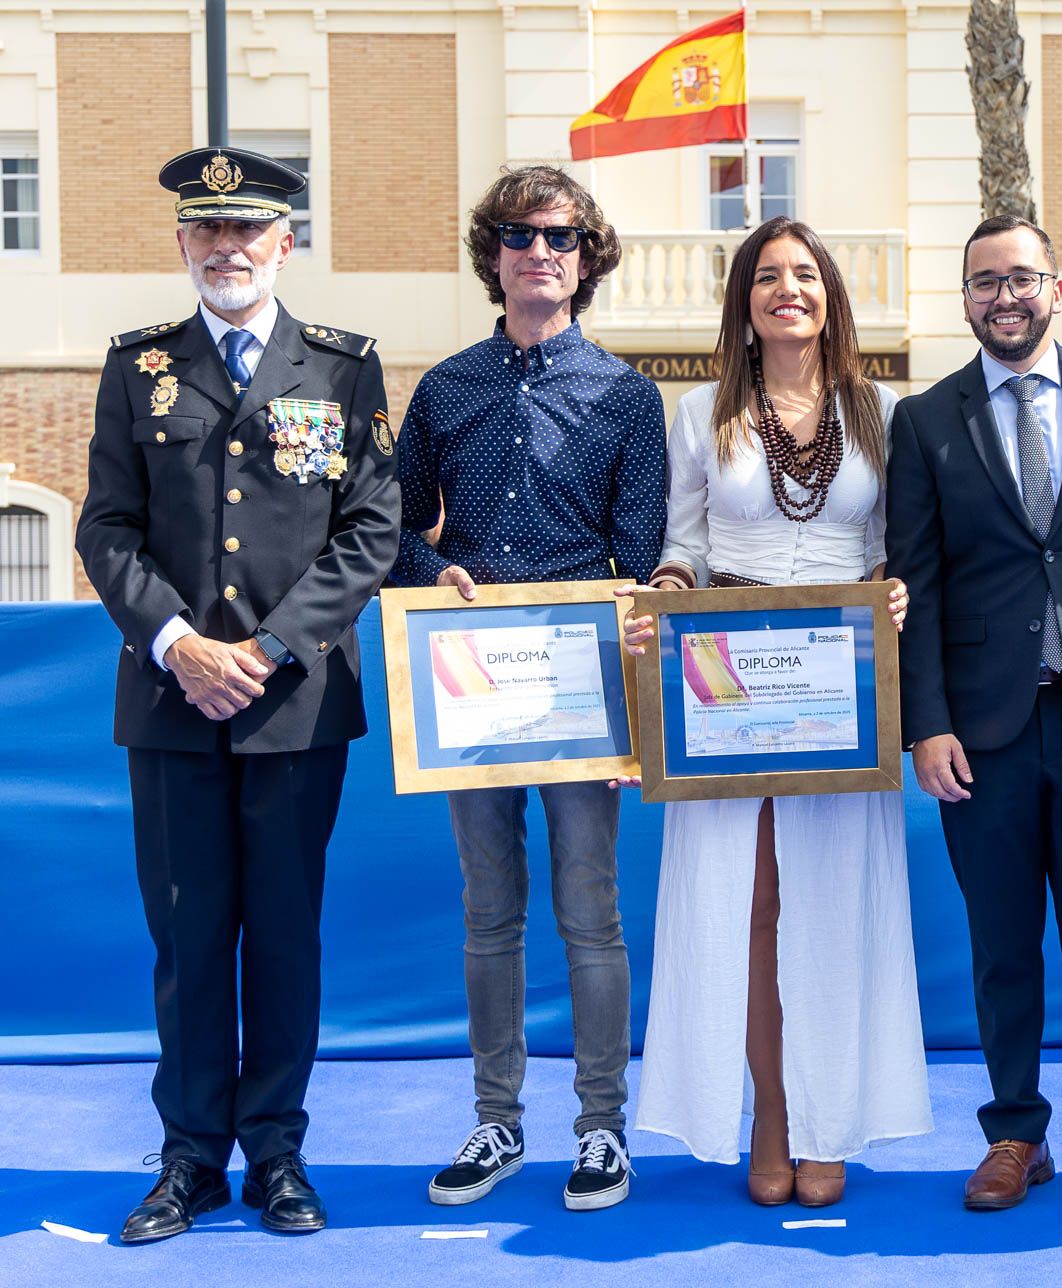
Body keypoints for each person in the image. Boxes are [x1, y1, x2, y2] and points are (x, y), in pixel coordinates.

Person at [75, 146, 400, 1242]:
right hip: (170, 701)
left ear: (284, 242)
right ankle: (189, 1158)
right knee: (189, 932)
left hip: (292, 701)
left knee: (286, 933)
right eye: (206, 231)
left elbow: (370, 529)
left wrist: (263, 650)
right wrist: (178, 643)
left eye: (246, 230)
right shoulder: (138, 367)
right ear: (181, 245)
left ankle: (278, 1154)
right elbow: (105, 527)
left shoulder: (342, 366)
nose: (226, 248)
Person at [613, 217, 928, 1208]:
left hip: (840, 687)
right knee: (749, 910)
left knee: (830, 907)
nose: (786, 289)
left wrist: (892, 584)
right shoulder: (702, 409)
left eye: (803, 274)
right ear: (743, 302)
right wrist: (664, 583)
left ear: (829, 294)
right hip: (729, 685)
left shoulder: (881, 409)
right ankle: (774, 1119)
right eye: (766, 276)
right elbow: (684, 540)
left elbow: (892, 542)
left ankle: (828, 1116)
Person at [392, 166, 667, 1213]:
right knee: (488, 910)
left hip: (578, 677)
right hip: (466, 677)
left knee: (589, 912)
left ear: (586, 256)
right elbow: (397, 525)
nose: (536, 251)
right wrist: (432, 574)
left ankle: (602, 1130)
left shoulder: (627, 395)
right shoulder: (445, 388)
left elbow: (638, 551)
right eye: (516, 235)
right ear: (493, 255)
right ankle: (496, 1118)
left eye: (557, 236)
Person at [884, 215, 1062, 1210]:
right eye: (983, 281)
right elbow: (911, 581)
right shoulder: (923, 421)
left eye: (1021, 278)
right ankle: (1014, 1132)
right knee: (1002, 944)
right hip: (981, 732)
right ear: (965, 298)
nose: (1004, 296)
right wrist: (926, 722)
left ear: (1057, 285)